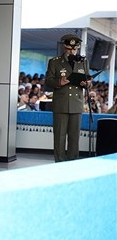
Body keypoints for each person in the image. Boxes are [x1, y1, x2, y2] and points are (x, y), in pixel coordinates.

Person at [45, 34, 92, 162]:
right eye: (69, 49)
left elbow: (88, 79)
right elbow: (48, 81)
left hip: (76, 104)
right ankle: (60, 162)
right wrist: (60, 81)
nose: (72, 52)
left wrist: (87, 83)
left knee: (74, 137)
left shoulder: (83, 62)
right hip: (61, 103)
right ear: (64, 47)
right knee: (59, 137)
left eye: (74, 49)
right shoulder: (54, 62)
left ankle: (72, 163)